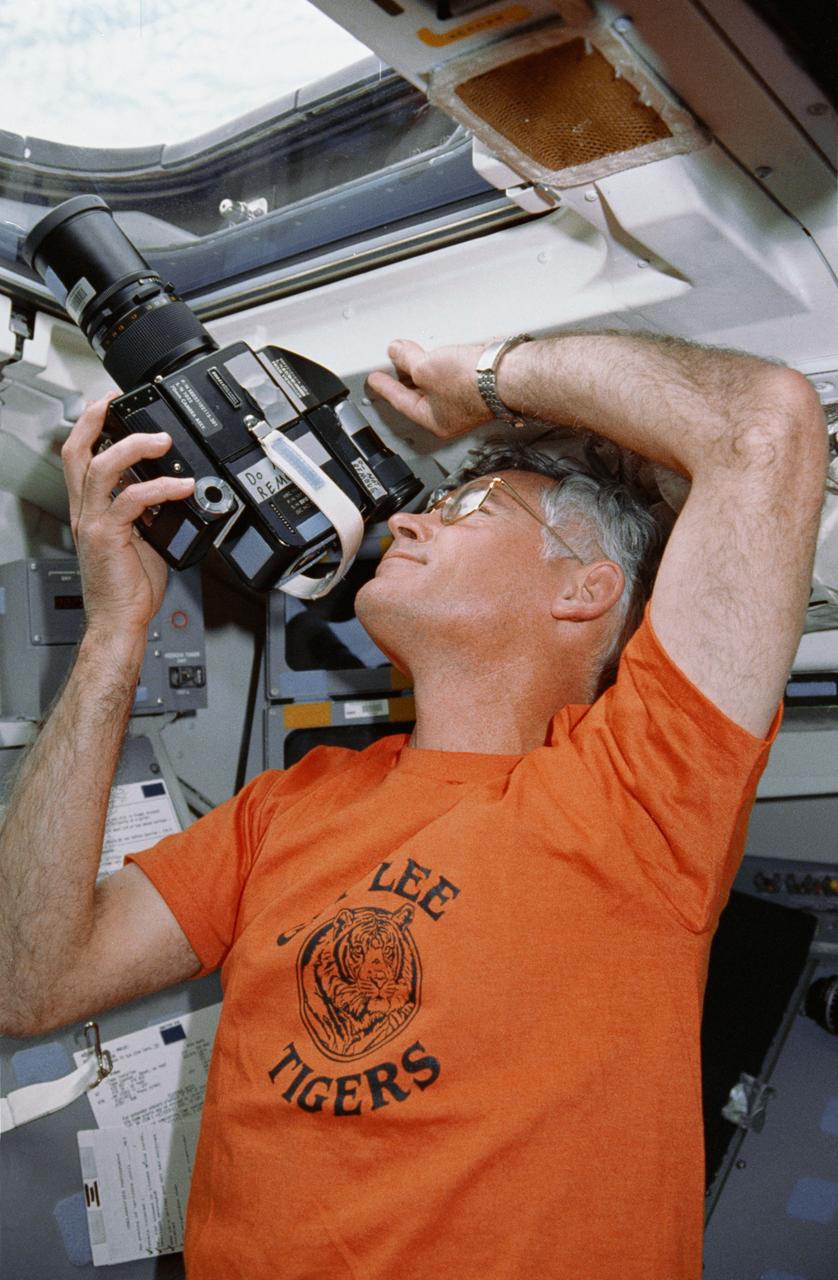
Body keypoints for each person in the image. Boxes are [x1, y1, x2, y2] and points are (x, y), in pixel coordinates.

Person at [0, 330, 826, 1279]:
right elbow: (30, 982)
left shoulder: (639, 794)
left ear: (586, 591)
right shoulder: (289, 807)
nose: (408, 525)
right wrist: (114, 635)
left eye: (470, 506)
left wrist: (489, 381)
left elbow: (765, 425)